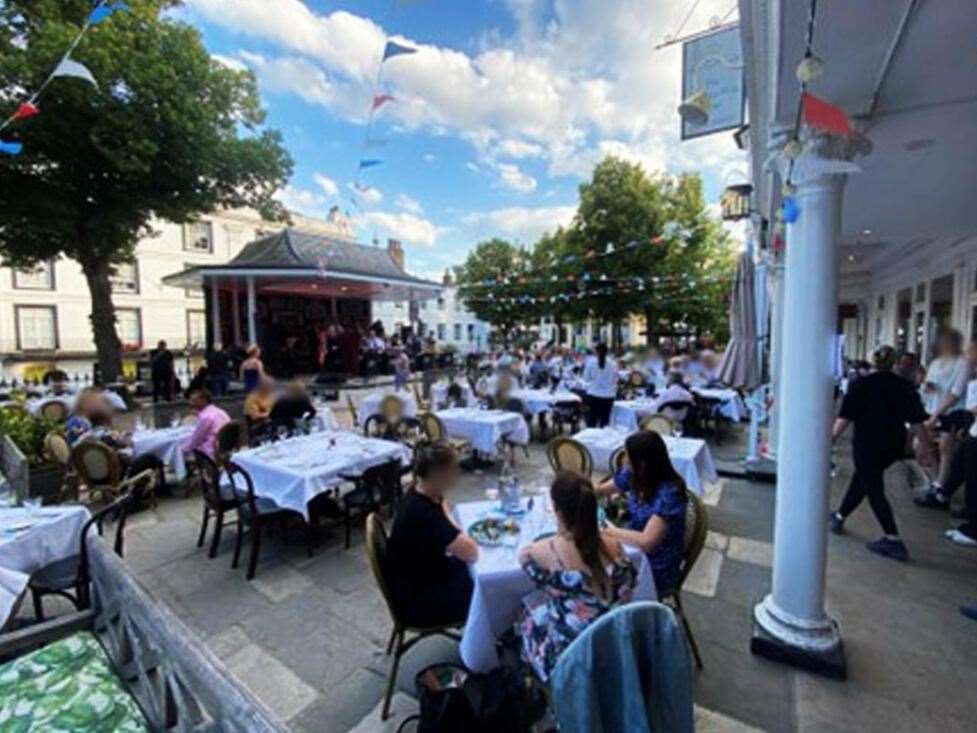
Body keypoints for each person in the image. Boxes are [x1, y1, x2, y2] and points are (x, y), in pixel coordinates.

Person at [517, 472, 637, 682]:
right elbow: (630, 581)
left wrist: (557, 535)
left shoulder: (545, 551)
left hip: (569, 656)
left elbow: (523, 557)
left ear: (556, 509)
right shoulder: (615, 546)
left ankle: (535, 683)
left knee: (525, 617)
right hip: (614, 644)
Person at [829, 346, 934, 561]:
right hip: (892, 446)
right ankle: (840, 515)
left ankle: (892, 537)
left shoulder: (861, 385)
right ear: (894, 363)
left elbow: (844, 419)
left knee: (873, 487)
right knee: (864, 480)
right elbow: (917, 422)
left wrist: (829, 441)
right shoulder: (904, 387)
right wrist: (925, 448)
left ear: (873, 362)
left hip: (866, 444)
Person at [386, 441, 477, 627]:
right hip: (420, 601)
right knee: (488, 589)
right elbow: (471, 552)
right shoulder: (424, 512)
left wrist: (450, 524)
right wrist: (457, 530)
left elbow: (444, 506)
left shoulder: (418, 490)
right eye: (453, 469)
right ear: (439, 474)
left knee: (473, 571)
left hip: (416, 579)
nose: (457, 474)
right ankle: (482, 644)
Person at [596, 430, 688, 592]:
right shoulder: (634, 473)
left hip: (656, 565)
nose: (624, 461)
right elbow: (603, 490)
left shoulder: (670, 493)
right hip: (633, 544)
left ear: (644, 463)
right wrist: (578, 491)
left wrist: (608, 530)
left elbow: (647, 543)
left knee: (598, 571)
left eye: (628, 457)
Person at [916, 337, 977, 507]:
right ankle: (936, 483)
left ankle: (941, 488)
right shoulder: (936, 363)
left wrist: (936, 415)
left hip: (952, 412)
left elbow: (956, 393)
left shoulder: (963, 365)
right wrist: (926, 386)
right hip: (932, 408)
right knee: (919, 445)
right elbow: (927, 385)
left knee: (946, 449)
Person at [180, 389, 230, 459]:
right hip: (227, 448)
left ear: (203, 400)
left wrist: (182, 450)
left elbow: (196, 439)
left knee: (181, 449)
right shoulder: (220, 411)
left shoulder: (206, 417)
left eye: (194, 400)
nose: (191, 403)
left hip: (212, 450)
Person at [583, 343, 618, 428]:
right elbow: (615, 380)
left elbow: (586, 378)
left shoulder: (590, 362)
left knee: (592, 422)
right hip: (608, 396)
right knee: (605, 422)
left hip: (594, 395)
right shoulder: (613, 364)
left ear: (596, 351)